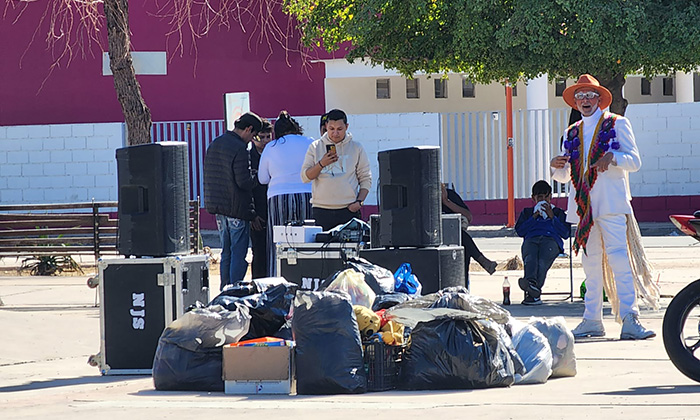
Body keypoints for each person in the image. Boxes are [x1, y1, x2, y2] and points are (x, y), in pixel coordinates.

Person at [550, 74, 659, 339]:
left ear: (599, 99)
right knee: (590, 265)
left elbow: (634, 161)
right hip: (583, 208)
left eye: (589, 95)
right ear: (575, 102)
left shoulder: (617, 124)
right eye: (580, 96)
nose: (585, 100)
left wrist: (613, 157)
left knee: (620, 259)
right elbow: (566, 177)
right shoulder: (570, 133)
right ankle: (592, 319)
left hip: (611, 203)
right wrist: (556, 168)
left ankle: (630, 318)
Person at [204, 112, 263, 290]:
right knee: (239, 252)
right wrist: (259, 177)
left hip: (218, 208)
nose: (252, 139)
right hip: (236, 208)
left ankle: (224, 289)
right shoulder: (239, 148)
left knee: (226, 252)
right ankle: (235, 289)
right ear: (248, 129)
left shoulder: (216, 142)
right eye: (253, 135)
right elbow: (243, 182)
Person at [258, 111, 314, 276]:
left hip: (278, 197)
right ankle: (306, 276)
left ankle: (276, 276)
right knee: (306, 240)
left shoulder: (271, 146)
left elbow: (262, 179)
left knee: (278, 241)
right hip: (307, 195)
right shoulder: (310, 143)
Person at [301, 109, 372, 231]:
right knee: (321, 248)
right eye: (331, 129)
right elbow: (305, 177)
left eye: (339, 129)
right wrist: (321, 164)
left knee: (351, 248)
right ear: (326, 127)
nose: (335, 133)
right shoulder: (315, 147)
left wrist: (359, 202)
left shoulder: (356, 148)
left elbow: (366, 178)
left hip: (348, 209)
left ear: (346, 127)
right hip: (321, 209)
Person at [514, 180, 571, 305]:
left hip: (551, 240)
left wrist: (552, 217)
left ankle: (532, 290)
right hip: (531, 239)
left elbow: (566, 234)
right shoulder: (527, 212)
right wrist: (533, 217)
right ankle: (534, 292)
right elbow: (520, 231)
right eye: (540, 197)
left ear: (551, 197)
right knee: (531, 258)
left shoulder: (558, 213)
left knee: (542, 261)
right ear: (533, 198)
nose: (544, 200)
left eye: (547, 197)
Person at [441, 183, 497, 289]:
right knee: (463, 238)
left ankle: (463, 287)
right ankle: (482, 260)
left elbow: (468, 216)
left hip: (453, 238)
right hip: (432, 238)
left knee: (463, 243)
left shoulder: (449, 195)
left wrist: (446, 202)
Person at [249, 119, 273, 279]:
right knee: (259, 252)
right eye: (261, 137)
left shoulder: (275, 154)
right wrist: (252, 214)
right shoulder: (247, 157)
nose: (264, 141)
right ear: (253, 138)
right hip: (257, 211)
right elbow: (245, 188)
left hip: (275, 209)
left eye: (268, 137)